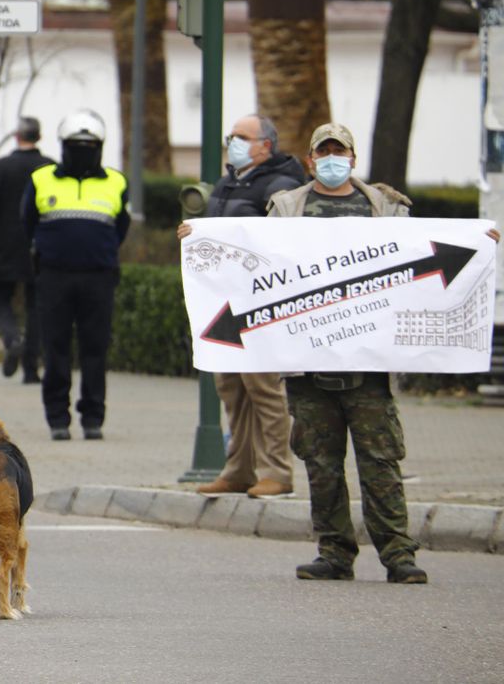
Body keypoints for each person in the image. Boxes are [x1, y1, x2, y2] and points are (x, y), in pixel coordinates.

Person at [269, 122, 426, 584]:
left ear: (353, 158)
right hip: (309, 366)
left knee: (380, 463)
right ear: (311, 159)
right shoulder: (286, 208)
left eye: (340, 151)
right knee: (321, 465)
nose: (332, 158)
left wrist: (477, 246)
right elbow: (255, 261)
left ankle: (399, 555)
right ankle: (334, 553)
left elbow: (419, 258)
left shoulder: (386, 208)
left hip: (368, 366)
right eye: (324, 151)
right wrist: (197, 238)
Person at [178, 114, 306, 500]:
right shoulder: (229, 181)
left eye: (241, 136)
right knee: (232, 389)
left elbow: (281, 242)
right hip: (225, 303)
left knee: (264, 390)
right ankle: (239, 470)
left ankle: (277, 472)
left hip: (260, 303)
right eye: (231, 136)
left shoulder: (282, 185)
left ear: (265, 145)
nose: (232, 142)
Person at [22, 109, 129, 441]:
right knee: (55, 350)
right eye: (75, 144)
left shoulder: (116, 181)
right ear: (63, 145)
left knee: (95, 349)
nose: (82, 150)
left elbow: (120, 228)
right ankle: (58, 418)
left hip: (99, 277)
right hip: (54, 277)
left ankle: (93, 418)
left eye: (89, 144)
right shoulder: (42, 179)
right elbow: (28, 222)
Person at [0, 118, 52, 382]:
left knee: (0, 298)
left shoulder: (0, 167)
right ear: (39, 136)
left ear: (17, 136)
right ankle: (30, 369)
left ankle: (12, 338)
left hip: (6, 244)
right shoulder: (50, 168)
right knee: (36, 305)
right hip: (41, 244)